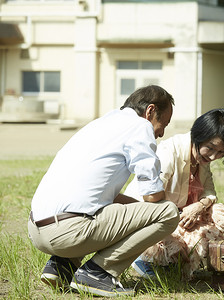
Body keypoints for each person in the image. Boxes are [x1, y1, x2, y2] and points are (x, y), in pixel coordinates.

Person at [28, 85, 179, 297]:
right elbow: (152, 195)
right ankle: (98, 273)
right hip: (66, 231)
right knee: (169, 213)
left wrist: (138, 213)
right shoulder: (139, 126)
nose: (161, 132)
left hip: (37, 230)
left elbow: (100, 194)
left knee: (106, 208)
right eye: (164, 123)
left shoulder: (101, 124)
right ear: (150, 111)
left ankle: (61, 265)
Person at [124, 108, 224, 280]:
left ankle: (172, 261)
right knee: (170, 247)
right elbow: (150, 202)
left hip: (174, 215)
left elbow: (210, 191)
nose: (214, 156)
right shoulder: (170, 152)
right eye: (211, 148)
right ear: (198, 135)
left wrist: (199, 206)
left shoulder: (202, 157)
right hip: (145, 216)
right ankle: (143, 257)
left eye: (221, 152)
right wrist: (171, 244)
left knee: (216, 211)